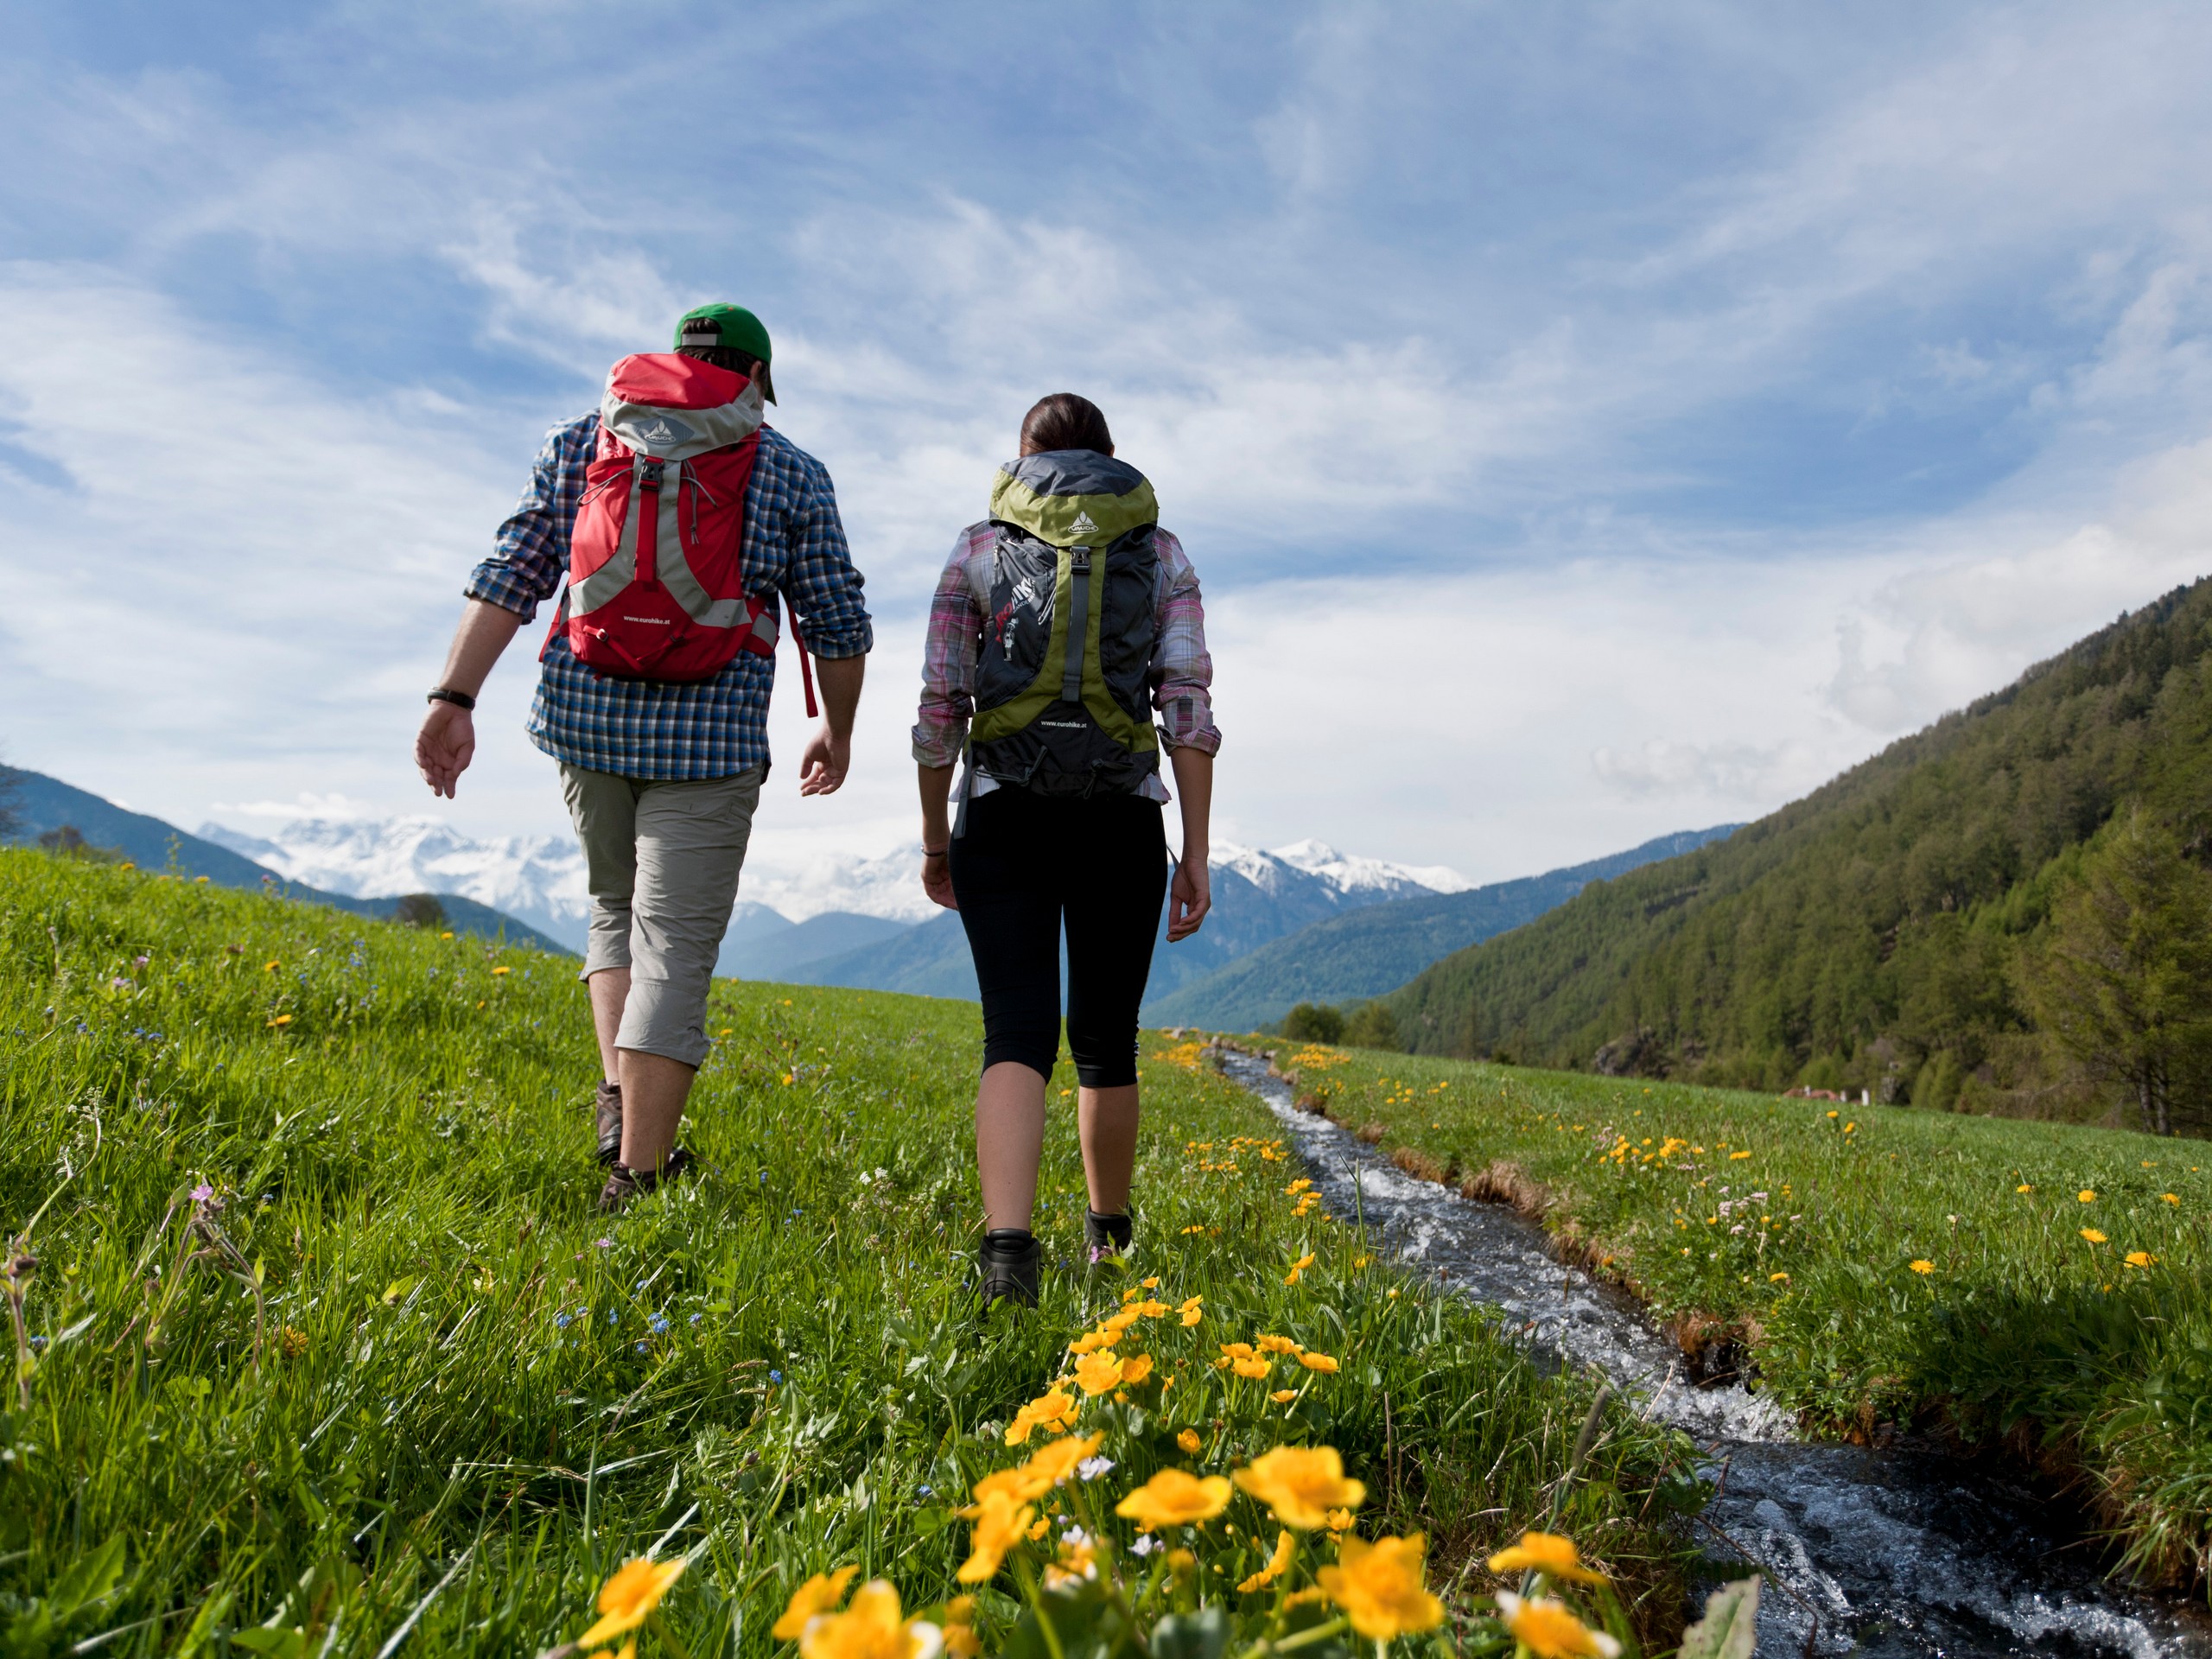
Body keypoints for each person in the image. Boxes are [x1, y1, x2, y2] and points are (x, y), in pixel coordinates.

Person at [416, 303, 872, 1211]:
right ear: (756, 377)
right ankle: (639, 1177)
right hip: (710, 739)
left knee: (612, 908)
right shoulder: (786, 468)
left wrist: (453, 696)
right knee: (675, 946)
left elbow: (514, 569)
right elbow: (838, 620)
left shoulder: (583, 440)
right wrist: (839, 727)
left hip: (583, 721)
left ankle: (620, 1107)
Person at [913, 392, 1217, 1305]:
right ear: (1110, 457)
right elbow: (1188, 711)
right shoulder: (1159, 553)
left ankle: (1008, 1256)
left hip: (1001, 814)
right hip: (1120, 817)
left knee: (1013, 1031)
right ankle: (1109, 1248)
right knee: (1105, 1039)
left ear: (1024, 456)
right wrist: (1193, 852)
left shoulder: (977, 547)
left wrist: (938, 837)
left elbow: (938, 713)